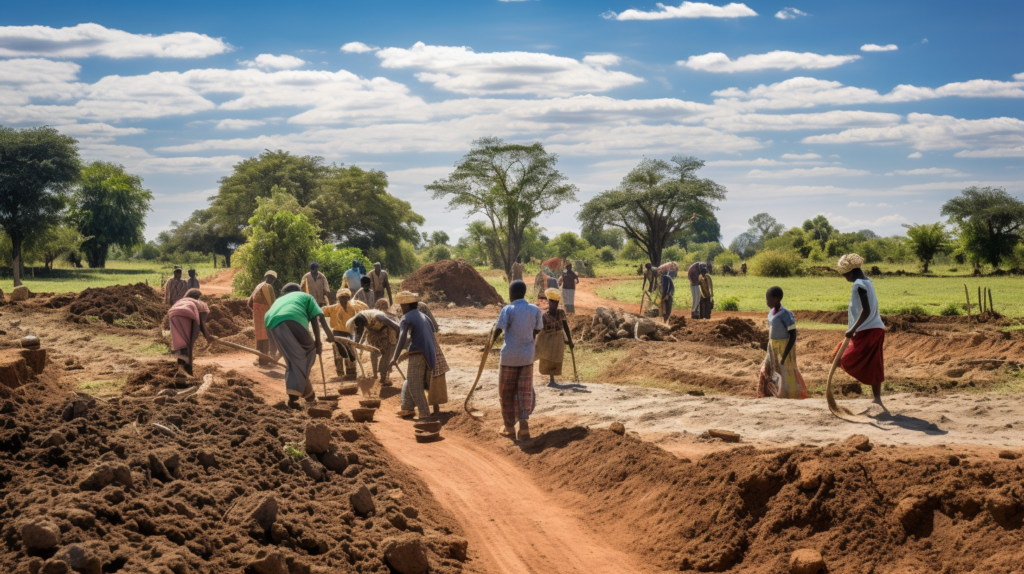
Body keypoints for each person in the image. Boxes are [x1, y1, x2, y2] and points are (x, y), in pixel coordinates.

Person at [265, 283, 336, 405]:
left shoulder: (280, 300)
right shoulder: (305, 296)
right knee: (308, 352)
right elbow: (317, 317)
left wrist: (275, 352)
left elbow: (272, 329)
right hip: (292, 319)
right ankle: (294, 396)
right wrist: (319, 342)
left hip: (272, 324)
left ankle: (308, 395)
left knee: (293, 360)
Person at [491, 280, 544, 440]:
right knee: (524, 391)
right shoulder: (534, 310)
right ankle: (524, 426)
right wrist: (528, 342)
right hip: (527, 357)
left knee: (506, 392)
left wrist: (489, 345)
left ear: (512, 294)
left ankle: (509, 427)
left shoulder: (508, 309)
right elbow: (537, 329)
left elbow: (498, 329)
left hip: (509, 358)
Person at [833, 254, 887, 408]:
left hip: (868, 330)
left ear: (850, 272)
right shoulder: (867, 281)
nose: (845, 278)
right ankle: (877, 399)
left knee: (845, 359)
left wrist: (852, 329)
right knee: (873, 364)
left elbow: (866, 310)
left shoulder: (859, 284)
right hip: (874, 328)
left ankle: (874, 395)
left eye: (844, 275)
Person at [389, 291, 436, 419]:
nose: (400, 308)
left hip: (418, 353)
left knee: (415, 385)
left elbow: (402, 337)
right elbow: (431, 332)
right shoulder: (424, 316)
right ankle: (408, 408)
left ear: (406, 305)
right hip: (430, 354)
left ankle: (424, 414)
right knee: (411, 380)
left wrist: (394, 357)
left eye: (401, 305)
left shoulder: (406, 317)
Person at [758, 287, 808, 399]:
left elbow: (793, 334)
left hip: (784, 347)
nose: (767, 302)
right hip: (772, 346)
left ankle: (789, 395)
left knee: (785, 372)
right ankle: (770, 393)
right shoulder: (771, 312)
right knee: (768, 370)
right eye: (766, 299)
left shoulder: (786, 314)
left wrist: (785, 355)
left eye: (769, 299)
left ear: (777, 298)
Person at [167, 289, 215, 376]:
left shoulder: (181, 301)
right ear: (198, 298)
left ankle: (182, 368)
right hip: (187, 314)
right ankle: (188, 371)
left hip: (173, 315)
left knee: (181, 344)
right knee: (189, 345)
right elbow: (201, 324)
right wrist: (208, 337)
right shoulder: (202, 305)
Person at [323, 288, 368, 380]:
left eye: (346, 298)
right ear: (338, 299)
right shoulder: (333, 308)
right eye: (341, 298)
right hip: (336, 334)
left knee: (350, 352)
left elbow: (364, 311)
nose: (343, 300)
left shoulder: (354, 307)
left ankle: (351, 372)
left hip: (349, 334)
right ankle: (340, 374)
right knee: (338, 354)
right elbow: (320, 312)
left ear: (349, 298)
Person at [350, 308, 400, 387]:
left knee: (386, 356)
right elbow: (360, 333)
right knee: (373, 352)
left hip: (389, 332)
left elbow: (396, 326)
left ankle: (384, 378)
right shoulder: (362, 320)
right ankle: (375, 375)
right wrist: (357, 343)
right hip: (375, 334)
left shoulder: (379, 317)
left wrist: (399, 336)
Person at [536, 288, 574, 386]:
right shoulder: (544, 317)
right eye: (552, 302)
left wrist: (569, 340)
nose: (555, 304)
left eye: (556, 302)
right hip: (548, 341)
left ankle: (553, 379)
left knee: (557, 358)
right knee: (549, 358)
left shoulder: (561, 312)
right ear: (548, 302)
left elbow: (565, 327)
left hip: (558, 341)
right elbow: (540, 331)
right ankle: (551, 379)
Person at [247, 270, 279, 367]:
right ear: (273, 280)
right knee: (267, 336)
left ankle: (261, 359)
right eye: (272, 279)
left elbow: (249, 302)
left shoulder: (258, 286)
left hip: (258, 316)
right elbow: (273, 304)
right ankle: (264, 360)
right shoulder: (269, 287)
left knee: (261, 336)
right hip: (266, 315)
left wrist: (257, 311)